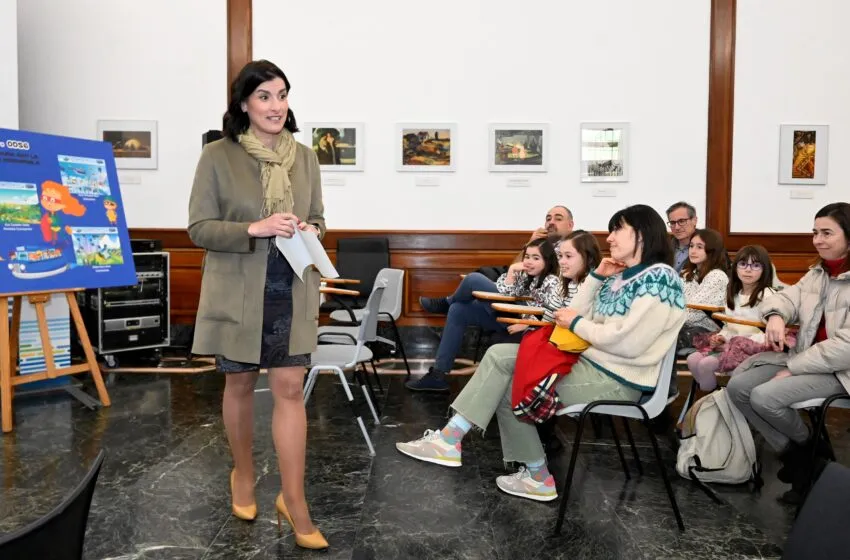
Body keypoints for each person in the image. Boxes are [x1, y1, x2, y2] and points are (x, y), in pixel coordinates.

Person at [396, 205, 685, 502]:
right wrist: (597, 277)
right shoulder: (619, 276)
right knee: (499, 357)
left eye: (616, 230)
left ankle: (522, 469)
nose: (609, 239)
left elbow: (627, 343)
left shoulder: (659, 278)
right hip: (591, 364)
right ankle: (461, 443)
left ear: (641, 235)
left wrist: (576, 323)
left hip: (620, 380)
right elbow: (575, 312)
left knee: (511, 384)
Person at [187, 59, 328, 550]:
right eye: (264, 96)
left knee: (290, 389)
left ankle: (294, 500)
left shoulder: (305, 157)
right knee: (241, 384)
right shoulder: (217, 156)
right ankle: (243, 476)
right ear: (244, 102)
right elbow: (199, 227)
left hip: (292, 286)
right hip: (238, 290)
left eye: (282, 95)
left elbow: (318, 218)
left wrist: (309, 229)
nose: (275, 105)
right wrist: (256, 227)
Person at [727, 202, 850, 505]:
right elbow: (784, 298)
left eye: (826, 233)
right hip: (806, 357)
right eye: (814, 232)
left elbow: (845, 348)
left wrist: (795, 367)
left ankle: (805, 464)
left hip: (840, 371)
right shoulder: (817, 272)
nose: (817, 240)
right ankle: (809, 458)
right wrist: (776, 316)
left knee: (764, 397)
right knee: (738, 388)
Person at [407, 238, 563, 392]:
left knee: (474, 279)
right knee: (458, 310)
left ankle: (445, 303)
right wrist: (511, 272)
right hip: (510, 313)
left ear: (548, 261)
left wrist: (527, 323)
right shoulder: (525, 275)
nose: (529, 261)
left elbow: (554, 311)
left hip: (525, 323)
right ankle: (438, 375)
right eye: (527, 257)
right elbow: (505, 293)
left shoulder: (552, 281)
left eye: (536, 258)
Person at [419, 205, 574, 316]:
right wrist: (529, 245)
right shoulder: (540, 243)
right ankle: (453, 303)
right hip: (516, 278)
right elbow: (515, 266)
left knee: (474, 280)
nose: (551, 222)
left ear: (570, 225)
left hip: (530, 293)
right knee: (483, 272)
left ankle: (447, 302)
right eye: (548, 219)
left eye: (558, 219)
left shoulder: (572, 249)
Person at [687, 245, 778, 391]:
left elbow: (769, 332)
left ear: (765, 269)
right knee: (692, 359)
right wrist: (722, 337)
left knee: (706, 364)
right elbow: (729, 326)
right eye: (743, 264)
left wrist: (731, 344)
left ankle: (717, 399)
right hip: (730, 345)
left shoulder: (767, 295)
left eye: (755, 265)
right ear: (735, 268)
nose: (748, 270)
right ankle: (713, 395)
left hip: (754, 348)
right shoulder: (733, 295)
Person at [666, 201, 698, 272]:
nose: (677, 227)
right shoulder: (665, 246)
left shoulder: (707, 245)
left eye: (682, 221)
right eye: (672, 223)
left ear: (694, 221)